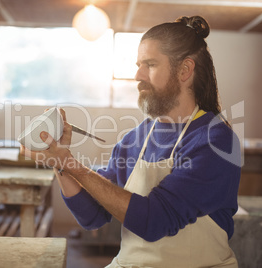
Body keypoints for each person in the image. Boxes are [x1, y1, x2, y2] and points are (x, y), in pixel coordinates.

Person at [23, 15, 241, 268]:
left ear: (184, 70)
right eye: (138, 64)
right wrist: (59, 160)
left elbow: (155, 221)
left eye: (149, 64)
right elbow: (92, 216)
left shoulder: (215, 140)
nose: (137, 74)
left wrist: (70, 164)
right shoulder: (137, 138)